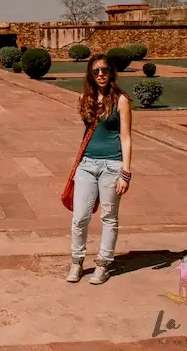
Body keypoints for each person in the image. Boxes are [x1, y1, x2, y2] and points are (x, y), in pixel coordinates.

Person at [66, 53, 132, 285]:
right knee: (80, 217)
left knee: (109, 217)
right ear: (90, 75)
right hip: (87, 164)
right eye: (96, 72)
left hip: (112, 165)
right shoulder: (86, 98)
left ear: (111, 72)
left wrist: (126, 172)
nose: (101, 74)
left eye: (104, 70)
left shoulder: (121, 100)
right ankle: (77, 261)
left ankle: (103, 264)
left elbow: (125, 137)